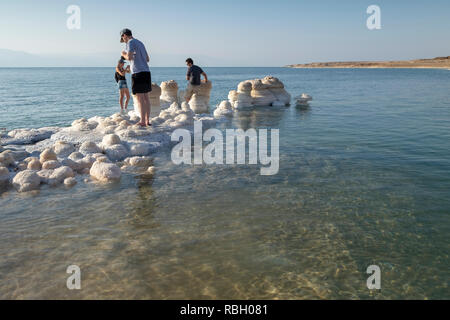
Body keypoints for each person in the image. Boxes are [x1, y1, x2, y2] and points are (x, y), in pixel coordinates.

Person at [120, 28, 152, 127]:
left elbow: (129, 57)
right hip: (146, 72)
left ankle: (142, 122)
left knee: (140, 98)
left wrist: (123, 54)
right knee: (146, 97)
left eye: (123, 38)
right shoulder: (140, 43)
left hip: (138, 73)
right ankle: (147, 121)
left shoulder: (130, 42)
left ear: (125, 35)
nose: (123, 41)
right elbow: (147, 59)